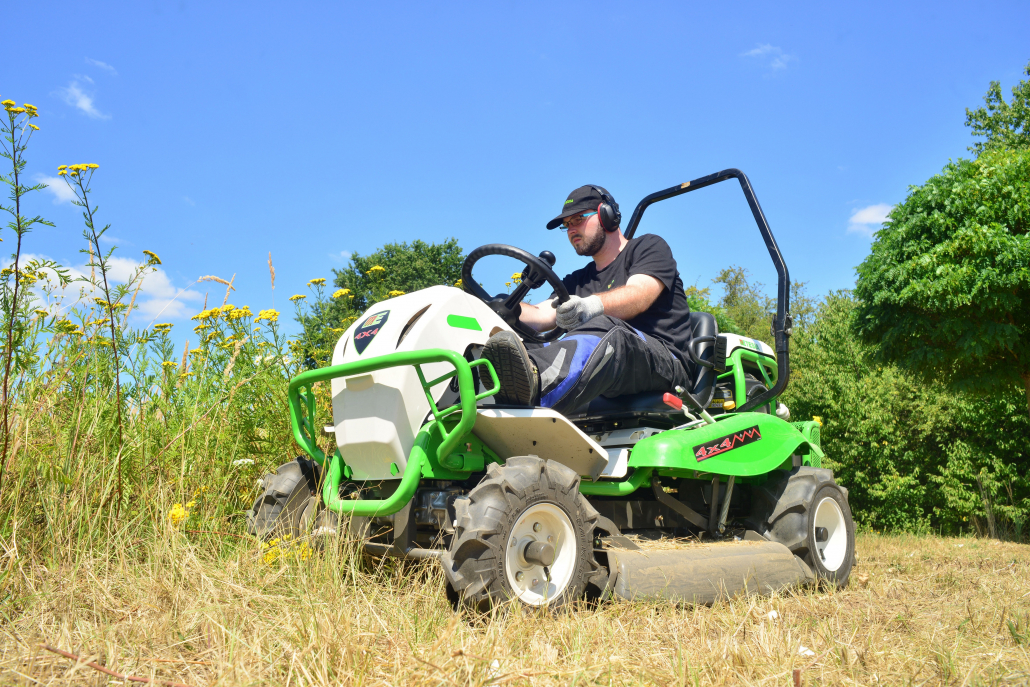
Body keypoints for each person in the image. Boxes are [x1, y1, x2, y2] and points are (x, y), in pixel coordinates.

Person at [482, 184, 693, 413]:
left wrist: (590, 306)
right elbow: (542, 314)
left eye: (578, 219)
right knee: (523, 341)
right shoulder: (577, 280)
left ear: (607, 215)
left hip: (664, 362)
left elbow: (640, 294)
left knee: (609, 329)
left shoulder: (648, 247)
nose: (571, 229)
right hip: (609, 367)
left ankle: (533, 390)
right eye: (566, 225)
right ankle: (481, 393)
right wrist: (501, 308)